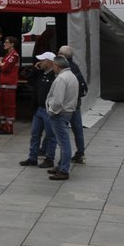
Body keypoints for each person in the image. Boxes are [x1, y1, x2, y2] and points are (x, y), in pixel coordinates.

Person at [43, 52, 79, 181]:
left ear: (57, 66)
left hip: (60, 113)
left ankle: (64, 169)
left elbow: (58, 100)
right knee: (63, 142)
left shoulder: (61, 79)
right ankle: (60, 166)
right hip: (67, 111)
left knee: (63, 143)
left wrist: (52, 111)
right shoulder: (71, 76)